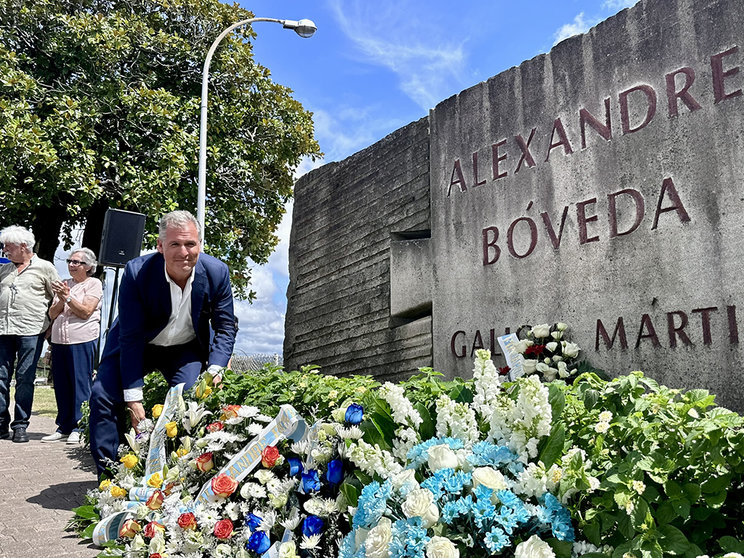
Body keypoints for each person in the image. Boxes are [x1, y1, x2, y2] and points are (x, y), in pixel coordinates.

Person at [89, 210, 237, 476]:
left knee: (191, 400)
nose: (184, 252)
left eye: (190, 244)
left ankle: (178, 475)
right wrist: (133, 400)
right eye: (175, 244)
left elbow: (226, 327)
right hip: (138, 345)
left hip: (185, 349)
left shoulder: (217, 273)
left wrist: (216, 369)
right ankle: (109, 477)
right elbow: (131, 338)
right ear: (160, 246)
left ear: (200, 245)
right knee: (103, 394)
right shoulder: (137, 272)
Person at [0, 226, 60, 443]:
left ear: (23, 246)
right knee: (0, 378)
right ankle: (0, 423)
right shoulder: (4, 267)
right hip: (3, 329)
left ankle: (20, 425)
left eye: (8, 245)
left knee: (25, 378)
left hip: (31, 331)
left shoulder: (45, 267)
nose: (4, 249)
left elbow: (58, 297)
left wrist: (51, 325)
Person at [43, 248, 103, 444]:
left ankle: (80, 426)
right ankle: (64, 426)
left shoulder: (93, 283)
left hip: (82, 339)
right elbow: (52, 314)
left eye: (76, 262)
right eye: (69, 261)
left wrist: (68, 297)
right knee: (61, 383)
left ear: (89, 267)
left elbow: (86, 311)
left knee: (80, 384)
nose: (71, 264)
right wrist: (62, 297)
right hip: (60, 341)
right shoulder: (64, 284)